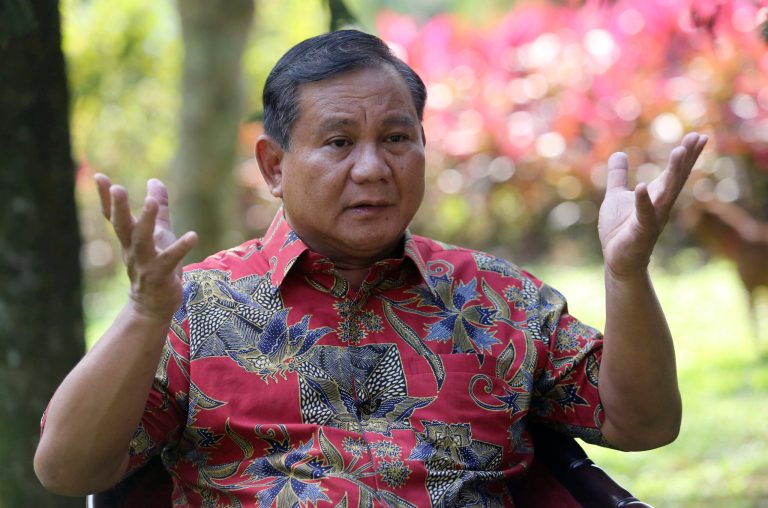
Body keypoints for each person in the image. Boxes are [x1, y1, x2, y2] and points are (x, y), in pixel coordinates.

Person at [34, 29, 707, 506]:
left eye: (396, 139)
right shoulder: (199, 305)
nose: (372, 169)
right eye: (337, 142)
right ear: (274, 166)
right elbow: (67, 469)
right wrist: (148, 309)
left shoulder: (495, 299)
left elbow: (642, 425)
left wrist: (627, 277)